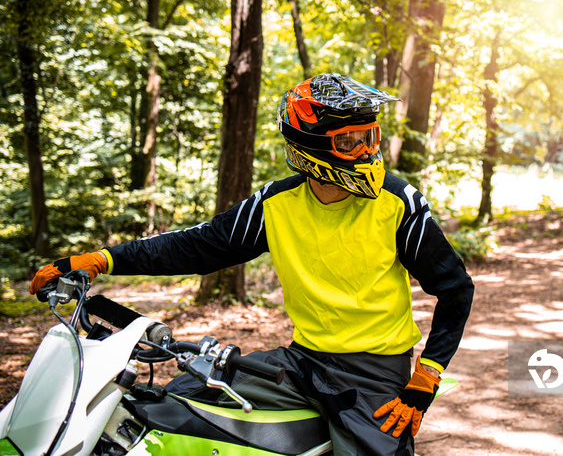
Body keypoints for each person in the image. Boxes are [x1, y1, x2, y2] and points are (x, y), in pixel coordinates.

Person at [30, 73, 475, 456]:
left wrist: (426, 377)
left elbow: (455, 288)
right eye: (350, 141)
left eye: (370, 137)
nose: (366, 151)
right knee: (178, 398)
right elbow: (197, 246)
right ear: (310, 145)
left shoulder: (397, 202)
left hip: (375, 371)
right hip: (302, 361)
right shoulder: (276, 204)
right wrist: (101, 260)